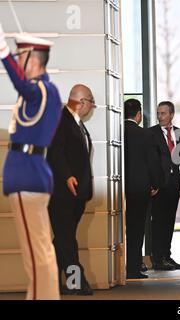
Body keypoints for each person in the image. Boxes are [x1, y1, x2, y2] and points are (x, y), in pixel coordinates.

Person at [0, 25, 61, 300]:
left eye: (19, 55)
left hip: (27, 176)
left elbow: (22, 85)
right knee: (38, 250)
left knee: (36, 254)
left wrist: (3, 54)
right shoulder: (40, 92)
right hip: (30, 176)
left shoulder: (41, 89)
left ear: (33, 59)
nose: (16, 59)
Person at [47, 84, 96, 295]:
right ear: (82, 102)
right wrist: (67, 175)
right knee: (67, 240)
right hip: (62, 194)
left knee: (62, 240)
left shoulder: (77, 124)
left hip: (77, 194)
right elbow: (54, 152)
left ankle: (51, 283)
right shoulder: (60, 120)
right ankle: (77, 282)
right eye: (91, 101)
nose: (92, 106)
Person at [148, 101, 180, 270]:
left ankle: (166, 255)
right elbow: (148, 162)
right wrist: (151, 183)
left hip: (173, 185)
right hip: (158, 186)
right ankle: (157, 259)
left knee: (169, 222)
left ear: (171, 115)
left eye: (163, 113)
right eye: (158, 113)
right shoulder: (150, 134)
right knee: (158, 222)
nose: (160, 116)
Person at [124, 99, 160, 279]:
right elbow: (152, 164)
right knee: (136, 228)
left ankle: (115, 265)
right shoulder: (145, 135)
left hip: (117, 189)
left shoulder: (116, 133)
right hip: (139, 189)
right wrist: (155, 184)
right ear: (138, 115)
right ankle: (132, 268)